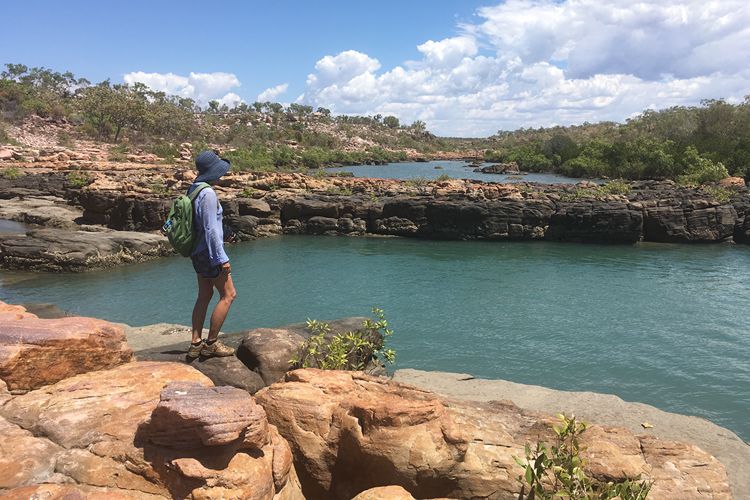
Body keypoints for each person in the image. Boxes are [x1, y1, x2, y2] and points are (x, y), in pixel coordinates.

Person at [186, 150, 237, 358]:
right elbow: (210, 229)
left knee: (205, 295)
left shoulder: (194, 189)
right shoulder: (208, 193)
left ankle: (195, 343)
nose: (221, 175)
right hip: (209, 254)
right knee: (229, 295)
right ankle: (211, 344)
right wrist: (221, 258)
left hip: (198, 252)